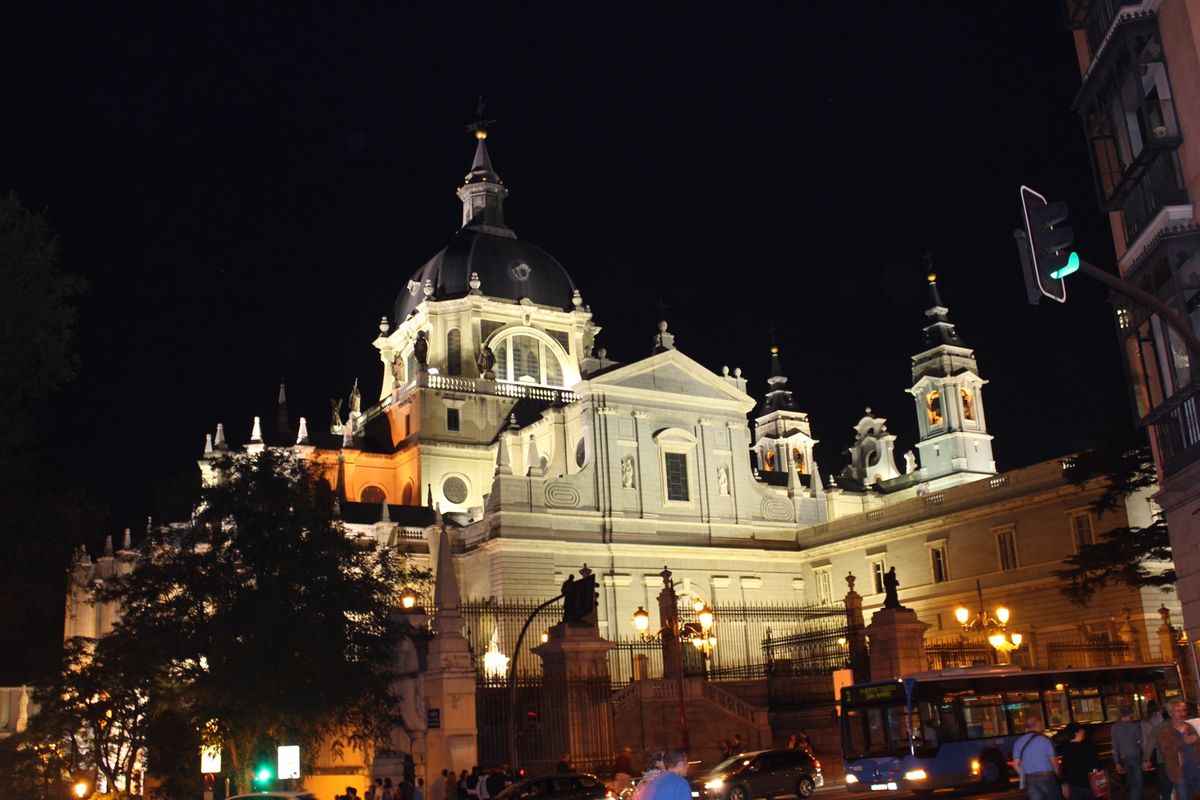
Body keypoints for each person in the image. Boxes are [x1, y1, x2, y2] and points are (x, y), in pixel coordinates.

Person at [1159, 699, 1200, 800]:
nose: (1182, 713)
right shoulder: (1165, 730)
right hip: (1180, 774)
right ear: (1170, 713)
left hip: (1196, 770)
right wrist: (1183, 742)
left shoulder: (1189, 727)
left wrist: (1196, 740)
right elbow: (1166, 751)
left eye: (1183, 710)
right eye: (1178, 711)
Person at [1013, 715, 1060, 800]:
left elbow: (1015, 764)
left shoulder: (1018, 742)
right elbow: (1055, 764)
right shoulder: (1045, 740)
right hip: (1047, 778)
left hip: (1030, 779)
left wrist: (1025, 777)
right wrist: (1061, 780)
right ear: (1038, 724)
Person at [1060, 723, 1102, 800]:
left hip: (1074, 784)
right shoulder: (1088, 747)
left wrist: (1064, 783)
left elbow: (1064, 768)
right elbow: (1096, 765)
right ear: (1076, 733)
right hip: (1088, 784)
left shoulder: (1066, 749)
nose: (1084, 732)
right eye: (1082, 731)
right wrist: (1096, 777)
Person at [1112, 706, 1146, 800]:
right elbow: (1141, 743)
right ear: (1131, 714)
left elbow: (1114, 746)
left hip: (1124, 758)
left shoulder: (1115, 727)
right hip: (1135, 756)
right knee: (1138, 783)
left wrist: (1117, 762)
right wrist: (1145, 758)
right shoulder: (1134, 726)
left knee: (1131, 782)